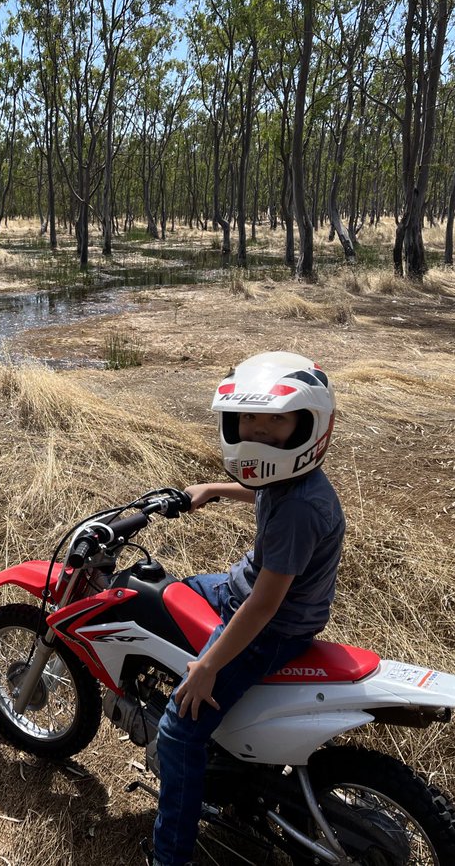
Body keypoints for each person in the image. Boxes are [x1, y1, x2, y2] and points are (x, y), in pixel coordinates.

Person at [149, 351, 345, 866]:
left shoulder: (300, 507)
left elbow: (262, 607)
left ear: (307, 425)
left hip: (273, 627)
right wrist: (213, 490)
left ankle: (171, 856)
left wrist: (208, 668)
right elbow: (259, 491)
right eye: (249, 419)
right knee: (174, 595)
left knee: (176, 733)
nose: (257, 430)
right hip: (242, 590)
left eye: (274, 419)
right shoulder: (286, 480)